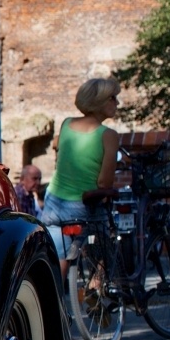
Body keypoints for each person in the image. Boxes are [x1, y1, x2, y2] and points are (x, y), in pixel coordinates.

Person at [41, 78, 121, 276]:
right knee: (106, 242)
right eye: (113, 98)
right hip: (82, 205)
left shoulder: (66, 124)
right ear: (100, 101)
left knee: (58, 260)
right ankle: (96, 287)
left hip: (53, 203)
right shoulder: (108, 135)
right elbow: (104, 182)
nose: (117, 103)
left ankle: (56, 304)